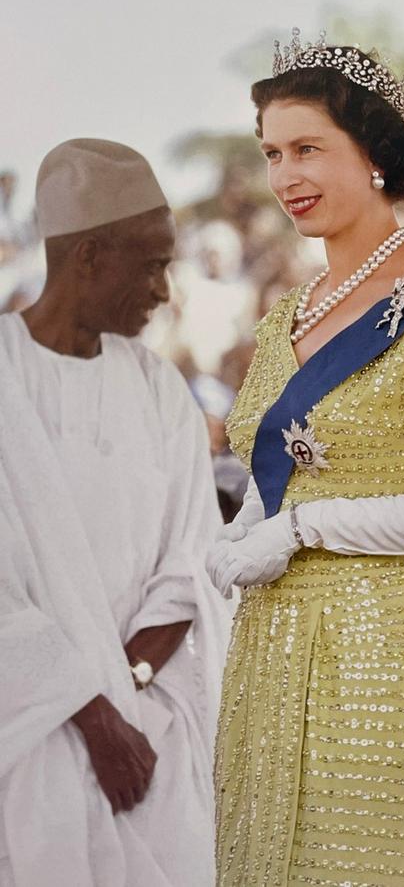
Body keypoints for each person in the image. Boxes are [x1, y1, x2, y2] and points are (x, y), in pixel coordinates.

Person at [205, 32, 404, 887]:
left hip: (375, 640)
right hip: (269, 641)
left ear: (377, 156)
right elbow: (276, 473)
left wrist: (308, 526)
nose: (286, 177)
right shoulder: (284, 316)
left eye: (308, 148)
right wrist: (243, 529)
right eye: (272, 153)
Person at [0, 138, 230, 887]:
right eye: (153, 263)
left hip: (150, 733)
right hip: (25, 736)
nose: (165, 290)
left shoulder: (159, 387)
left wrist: (126, 690)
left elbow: (190, 562)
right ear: (89, 257)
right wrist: (89, 716)